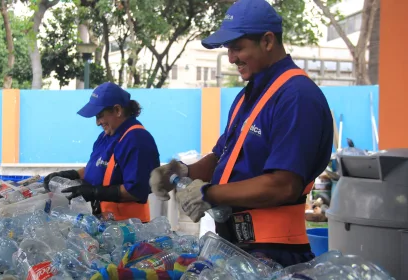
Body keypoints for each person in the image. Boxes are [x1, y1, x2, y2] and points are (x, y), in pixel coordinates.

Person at [149, 0, 333, 267]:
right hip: (235, 249)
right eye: (229, 49)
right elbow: (223, 156)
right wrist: (181, 172)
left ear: (268, 41)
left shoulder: (297, 97)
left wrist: (209, 194)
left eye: (237, 48)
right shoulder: (248, 96)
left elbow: (283, 185)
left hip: (275, 254)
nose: (232, 58)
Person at [44, 82, 160, 222]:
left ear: (117, 110)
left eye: (100, 115)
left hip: (129, 228)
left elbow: (136, 190)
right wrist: (71, 175)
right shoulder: (106, 136)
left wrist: (95, 192)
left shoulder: (138, 140)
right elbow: (99, 167)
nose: (98, 123)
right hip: (104, 223)